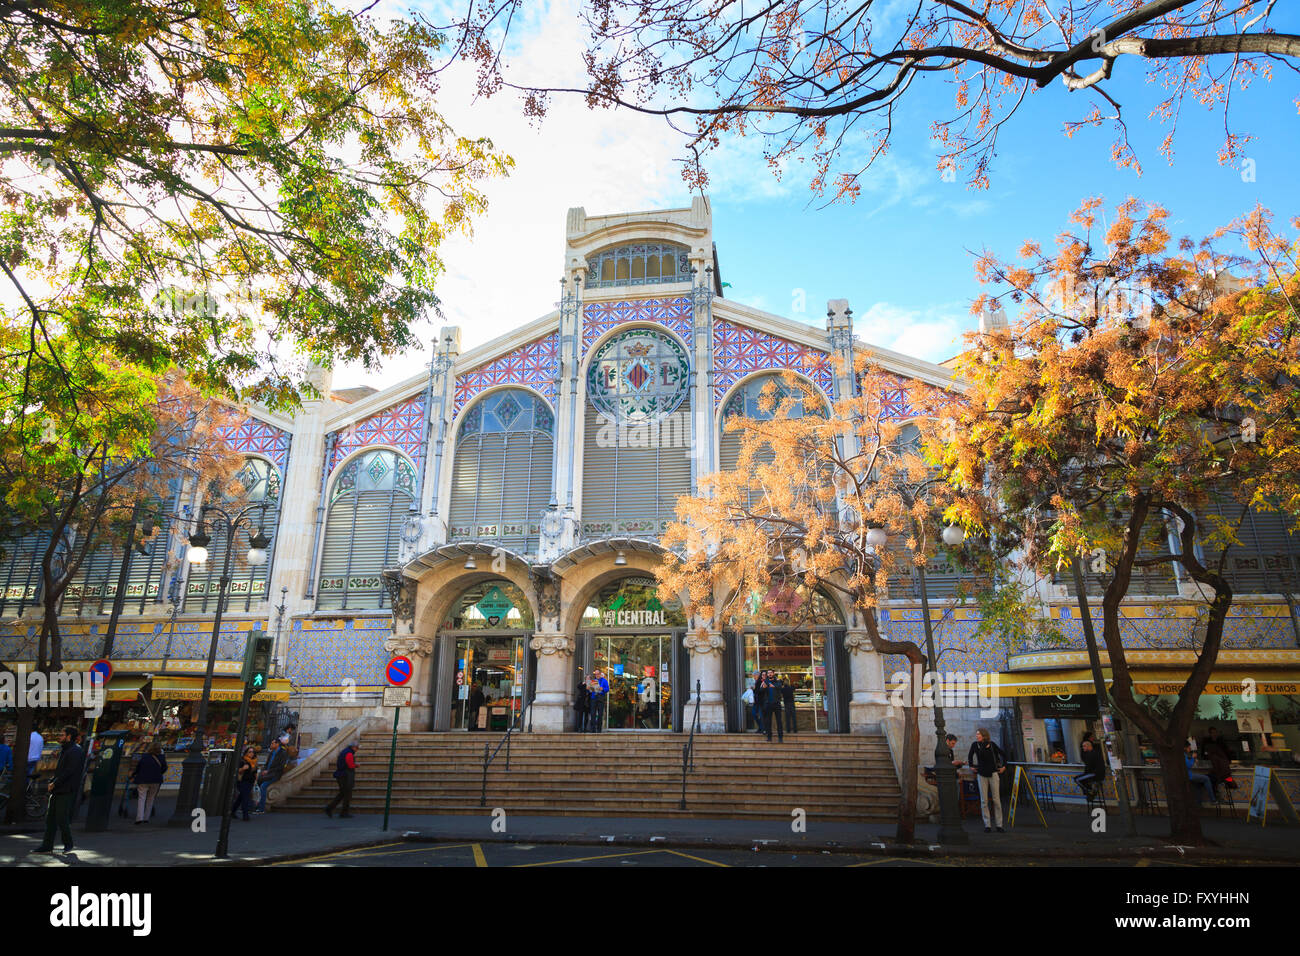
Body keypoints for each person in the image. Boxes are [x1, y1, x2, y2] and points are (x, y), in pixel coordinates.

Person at [34, 725, 84, 854]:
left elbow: (69, 771)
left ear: (69, 736)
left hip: (66, 789)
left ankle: (68, 843)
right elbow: (62, 770)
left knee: (61, 818)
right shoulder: (66, 749)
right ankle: (47, 845)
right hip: (58, 788)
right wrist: (53, 781)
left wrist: (54, 783)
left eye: (62, 735)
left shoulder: (75, 751)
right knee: (50, 818)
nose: (59, 737)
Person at [966, 728, 1007, 833]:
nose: (977, 736)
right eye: (976, 734)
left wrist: (1004, 766)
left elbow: (1003, 754)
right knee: (984, 801)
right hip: (981, 774)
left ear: (984, 735)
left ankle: (999, 825)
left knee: (996, 800)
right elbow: (970, 756)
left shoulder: (992, 745)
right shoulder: (975, 745)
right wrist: (971, 766)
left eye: (978, 734)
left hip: (993, 773)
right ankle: (987, 825)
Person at [130, 743, 167, 824]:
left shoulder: (144, 757)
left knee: (141, 798)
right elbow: (164, 768)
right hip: (156, 780)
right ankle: (146, 817)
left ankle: (139, 818)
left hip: (143, 779)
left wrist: (133, 775)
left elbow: (138, 768)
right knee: (151, 798)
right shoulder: (161, 758)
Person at [325, 741, 358, 818]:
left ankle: (330, 808)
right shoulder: (349, 753)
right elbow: (350, 765)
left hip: (341, 775)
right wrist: (356, 765)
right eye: (357, 748)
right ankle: (343, 812)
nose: (357, 750)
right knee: (347, 794)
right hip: (345, 776)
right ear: (353, 747)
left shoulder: (345, 751)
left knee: (342, 793)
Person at [256, 738, 288, 813]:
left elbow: (281, 766)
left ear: (277, 744)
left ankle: (261, 808)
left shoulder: (282, 753)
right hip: (268, 773)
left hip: (275, 774)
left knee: (263, 786)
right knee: (257, 784)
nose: (271, 745)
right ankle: (256, 805)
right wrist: (264, 770)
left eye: (273, 743)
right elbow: (267, 763)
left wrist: (268, 771)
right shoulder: (272, 752)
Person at [1200, 726, 1234, 791]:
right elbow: (1203, 753)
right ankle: (1219, 788)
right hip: (1215, 766)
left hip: (1221, 767)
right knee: (1219, 776)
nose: (1214, 734)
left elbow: (1227, 751)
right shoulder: (1207, 742)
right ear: (1210, 734)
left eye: (1215, 732)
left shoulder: (1221, 742)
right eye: (1213, 733)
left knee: (1221, 775)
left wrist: (1229, 760)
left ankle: (1223, 786)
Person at [231, 746, 257, 821]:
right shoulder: (242, 760)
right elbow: (237, 770)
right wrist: (242, 768)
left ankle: (232, 811)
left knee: (241, 797)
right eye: (250, 752)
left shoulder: (254, 761)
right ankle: (245, 815)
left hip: (250, 782)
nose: (251, 753)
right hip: (242, 781)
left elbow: (255, 772)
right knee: (245, 797)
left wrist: (255, 780)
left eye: (253, 752)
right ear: (246, 753)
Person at [762, 670, 784, 743]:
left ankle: (780, 737)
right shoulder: (765, 681)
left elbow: (780, 687)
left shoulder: (777, 680)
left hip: (777, 704)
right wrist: (763, 688)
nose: (770, 674)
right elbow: (760, 690)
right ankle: (769, 737)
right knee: (768, 722)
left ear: (773, 673)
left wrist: (774, 686)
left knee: (779, 721)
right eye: (768, 673)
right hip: (768, 704)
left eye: (771, 673)